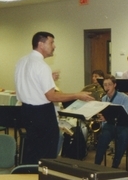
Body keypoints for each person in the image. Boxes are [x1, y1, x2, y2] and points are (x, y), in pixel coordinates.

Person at [14, 31, 94, 164]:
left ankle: (28, 176)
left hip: (26, 111)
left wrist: (49, 79)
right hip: (42, 114)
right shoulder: (42, 66)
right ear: (41, 44)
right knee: (46, 153)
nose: (54, 46)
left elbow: (30, 82)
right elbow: (51, 96)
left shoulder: (21, 61)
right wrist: (77, 95)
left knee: (33, 149)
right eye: (51, 42)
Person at [94, 75, 128, 168]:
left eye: (109, 84)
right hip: (109, 125)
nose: (107, 87)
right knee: (103, 138)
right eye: (105, 85)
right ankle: (96, 164)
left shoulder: (124, 98)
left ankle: (115, 165)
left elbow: (126, 115)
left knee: (124, 137)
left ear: (114, 85)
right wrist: (102, 118)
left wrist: (107, 117)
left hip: (122, 126)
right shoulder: (104, 98)